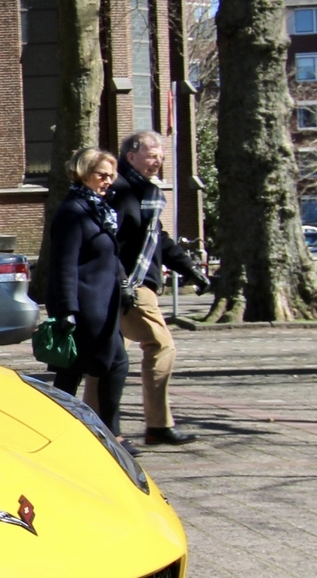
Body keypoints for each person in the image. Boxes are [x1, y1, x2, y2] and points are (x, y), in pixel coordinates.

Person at [106, 129, 211, 445]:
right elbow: (107, 242)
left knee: (111, 358)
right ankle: (156, 426)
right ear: (131, 156)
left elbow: (158, 238)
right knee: (160, 345)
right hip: (130, 285)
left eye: (161, 155)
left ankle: (104, 430)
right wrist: (122, 280)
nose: (159, 160)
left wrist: (189, 269)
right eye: (152, 154)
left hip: (130, 284)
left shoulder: (145, 194)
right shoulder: (122, 191)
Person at [46, 147, 132, 431]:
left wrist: (124, 283)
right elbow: (64, 263)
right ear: (84, 173)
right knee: (112, 363)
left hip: (104, 302)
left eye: (111, 176)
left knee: (73, 371)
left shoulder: (99, 209)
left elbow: (109, 253)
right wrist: (67, 309)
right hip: (86, 306)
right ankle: (110, 433)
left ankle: (58, 427)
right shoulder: (73, 211)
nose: (108, 181)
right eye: (102, 175)